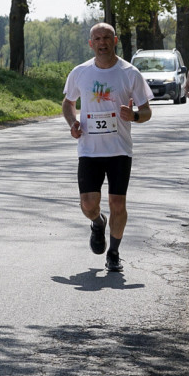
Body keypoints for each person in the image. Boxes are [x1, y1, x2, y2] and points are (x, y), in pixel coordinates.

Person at [62, 23, 153, 273]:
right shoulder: (80, 72)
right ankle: (97, 222)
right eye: (97, 38)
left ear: (115, 40)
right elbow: (68, 103)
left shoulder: (130, 73)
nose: (102, 42)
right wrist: (73, 123)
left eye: (107, 38)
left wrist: (134, 115)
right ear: (91, 43)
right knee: (88, 204)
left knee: (118, 204)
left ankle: (113, 253)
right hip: (89, 150)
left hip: (119, 150)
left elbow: (146, 111)